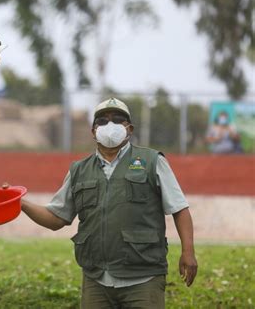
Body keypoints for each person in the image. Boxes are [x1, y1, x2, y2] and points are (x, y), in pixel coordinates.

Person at [20, 98, 198, 308]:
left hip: (143, 279)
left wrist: (188, 252)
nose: (109, 125)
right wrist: (20, 203)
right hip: (96, 280)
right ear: (94, 131)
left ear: (129, 129)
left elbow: (179, 208)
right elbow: (57, 218)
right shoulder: (79, 170)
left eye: (117, 120)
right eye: (102, 121)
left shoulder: (152, 161)